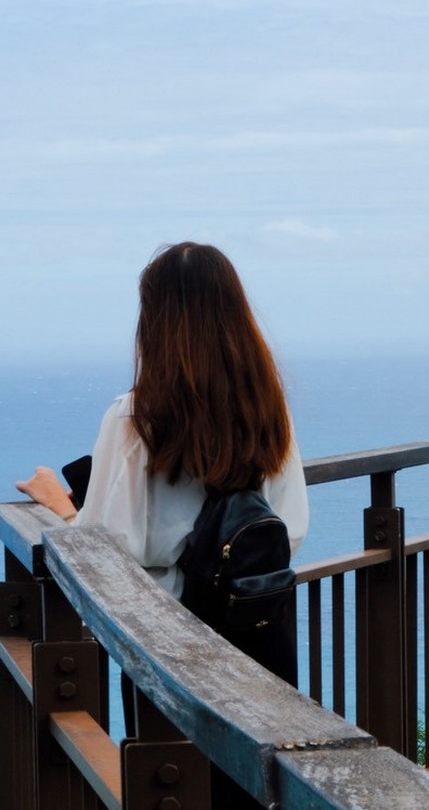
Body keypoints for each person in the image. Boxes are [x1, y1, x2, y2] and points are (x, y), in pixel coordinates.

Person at [17, 239, 308, 628]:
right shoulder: (269, 410)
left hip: (166, 634)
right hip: (253, 623)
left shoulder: (135, 417)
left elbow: (107, 553)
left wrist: (65, 509)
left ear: (155, 321)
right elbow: (289, 528)